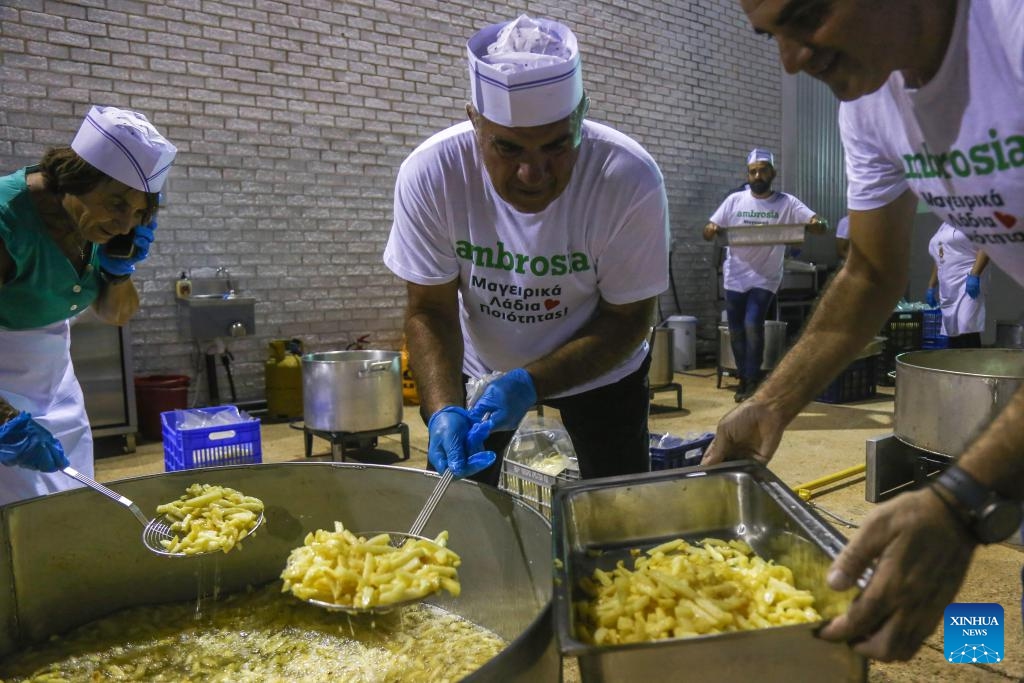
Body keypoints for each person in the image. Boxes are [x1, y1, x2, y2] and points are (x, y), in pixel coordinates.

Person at [707, 0, 1024, 662]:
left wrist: (960, 500)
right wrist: (771, 401)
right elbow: (870, 271)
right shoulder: (870, 97)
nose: (791, 60)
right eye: (770, 35)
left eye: (807, 15)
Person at [384, 14, 669, 485]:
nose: (533, 175)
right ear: (475, 122)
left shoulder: (627, 178)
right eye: (509, 148)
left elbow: (629, 318)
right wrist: (442, 409)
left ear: (580, 117)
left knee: (614, 506)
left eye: (556, 146)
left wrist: (530, 382)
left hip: (602, 368)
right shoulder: (434, 174)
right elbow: (429, 310)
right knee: (459, 507)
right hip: (481, 368)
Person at [0, 106, 176, 506]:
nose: (125, 225)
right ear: (76, 178)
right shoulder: (7, 221)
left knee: (73, 502)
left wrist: (119, 271)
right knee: (18, 518)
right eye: (117, 205)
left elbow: (116, 314)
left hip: (56, 384)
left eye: (139, 213)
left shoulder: (95, 227)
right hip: (4, 394)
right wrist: (5, 422)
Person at [702, 149, 825, 402]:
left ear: (773, 173)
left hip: (765, 276)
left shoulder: (786, 202)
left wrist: (817, 224)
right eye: (753, 172)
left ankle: (752, 378)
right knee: (736, 329)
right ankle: (744, 377)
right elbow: (708, 230)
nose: (757, 176)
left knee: (752, 323)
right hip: (735, 275)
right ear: (748, 175)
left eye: (762, 171)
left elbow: (818, 224)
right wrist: (711, 228)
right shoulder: (735, 201)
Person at [926, 222, 989, 348]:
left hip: (967, 282)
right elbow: (940, 257)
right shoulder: (944, 226)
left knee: (966, 327)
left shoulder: (972, 220)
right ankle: (956, 360)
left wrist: (974, 275)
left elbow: (987, 246)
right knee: (952, 332)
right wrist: (931, 286)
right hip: (947, 288)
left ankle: (973, 361)